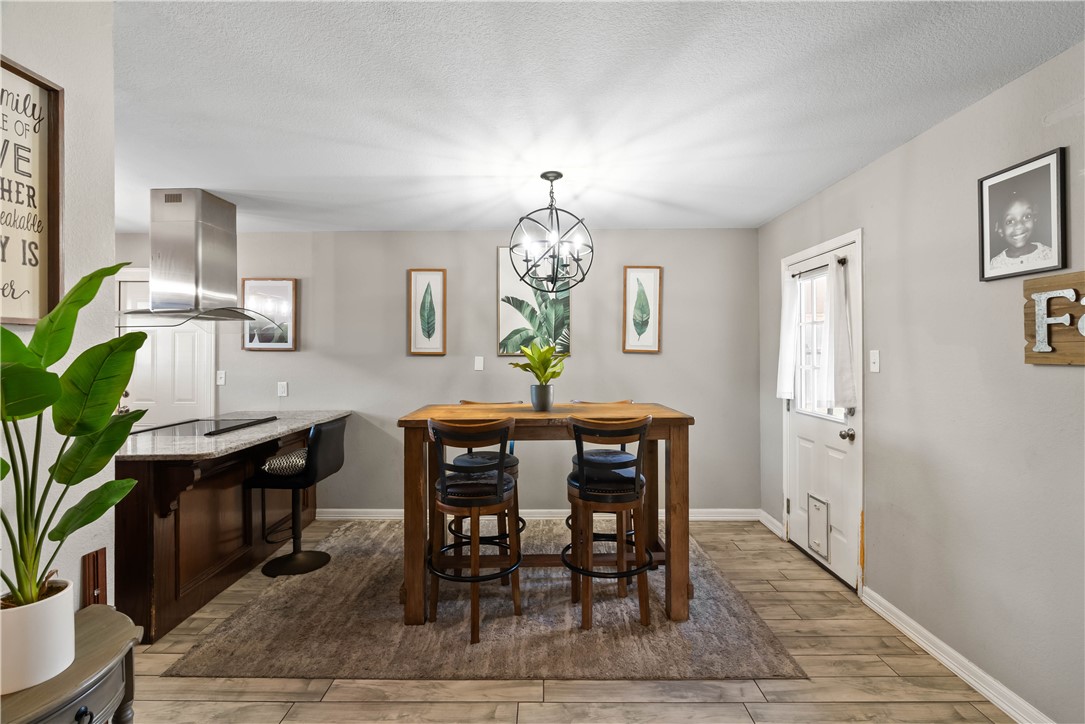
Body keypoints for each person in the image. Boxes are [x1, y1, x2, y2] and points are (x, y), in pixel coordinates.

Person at [989, 193, 1054, 271]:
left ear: (1035, 218)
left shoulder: (1049, 254)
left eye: (1027, 216)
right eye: (1010, 221)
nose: (1019, 225)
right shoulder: (995, 264)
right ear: (1000, 230)